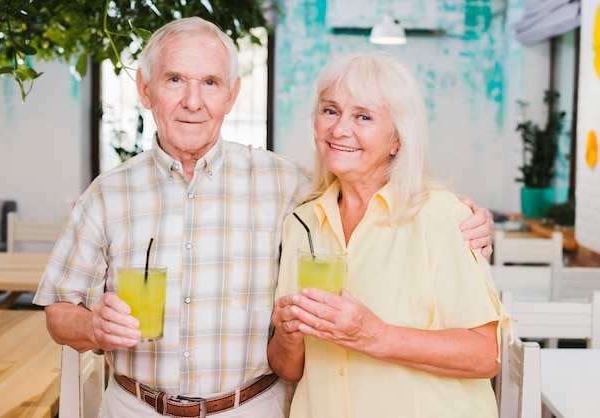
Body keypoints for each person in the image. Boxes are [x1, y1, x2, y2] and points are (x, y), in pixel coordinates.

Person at [34, 18, 495, 418]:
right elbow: (59, 311)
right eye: (175, 79)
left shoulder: (287, 187)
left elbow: (372, 182)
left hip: (250, 409)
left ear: (232, 95)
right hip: (136, 408)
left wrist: (468, 216)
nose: (193, 101)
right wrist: (93, 326)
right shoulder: (107, 193)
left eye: (211, 83)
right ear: (145, 88)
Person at [267, 51, 510, 418]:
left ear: (398, 140)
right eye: (330, 110)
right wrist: (287, 336)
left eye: (363, 116)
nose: (339, 129)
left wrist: (376, 335)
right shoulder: (300, 224)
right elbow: (290, 369)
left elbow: (486, 354)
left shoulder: (443, 218)